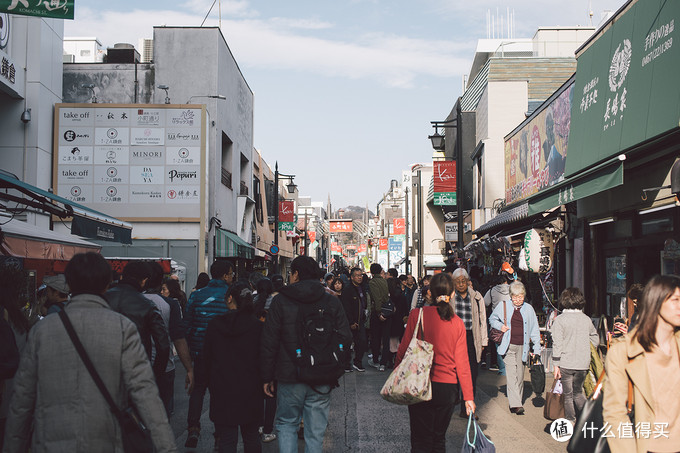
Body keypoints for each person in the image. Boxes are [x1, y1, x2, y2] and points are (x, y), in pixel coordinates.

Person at [2, 252, 177, 453]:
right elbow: (146, 395)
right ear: (106, 284)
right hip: (105, 441)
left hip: (50, 441)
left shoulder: (42, 331)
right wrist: (167, 447)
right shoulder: (122, 328)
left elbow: (22, 402)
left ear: (70, 284)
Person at [260, 256, 352, 453]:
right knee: (315, 431)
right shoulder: (331, 300)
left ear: (295, 275)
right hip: (322, 373)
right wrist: (337, 365)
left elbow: (269, 341)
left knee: (287, 423)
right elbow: (345, 336)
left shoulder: (280, 301)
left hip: (289, 374)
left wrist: (267, 376)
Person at [396, 272, 475, 452]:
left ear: (430, 293)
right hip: (447, 388)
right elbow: (463, 363)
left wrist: (398, 375)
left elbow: (403, 349)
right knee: (438, 439)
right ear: (452, 294)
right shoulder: (457, 323)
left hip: (419, 383)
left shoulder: (418, 315)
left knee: (419, 439)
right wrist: (468, 397)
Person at [603, 275, 680, 453]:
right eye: (675, 300)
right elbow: (615, 413)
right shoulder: (624, 351)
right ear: (656, 302)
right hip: (649, 447)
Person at [204, 282, 263, 453]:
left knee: (227, 439)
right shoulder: (258, 326)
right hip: (251, 387)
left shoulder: (215, 324)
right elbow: (264, 357)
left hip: (222, 387)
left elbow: (206, 357)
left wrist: (205, 381)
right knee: (251, 436)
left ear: (230, 298)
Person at [184, 260, 234, 448]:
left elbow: (187, 325)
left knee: (197, 390)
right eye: (231, 274)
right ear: (225, 276)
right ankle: (220, 434)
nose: (232, 277)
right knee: (220, 394)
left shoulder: (197, 295)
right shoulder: (230, 297)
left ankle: (193, 429)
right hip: (223, 356)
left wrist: (189, 353)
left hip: (199, 353)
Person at [105, 261, 170, 378]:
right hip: (137, 368)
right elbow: (163, 345)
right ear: (144, 281)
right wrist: (156, 374)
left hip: (105, 368)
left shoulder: (104, 298)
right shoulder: (147, 305)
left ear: (122, 276)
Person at [489, 280, 541, 415]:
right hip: (508, 346)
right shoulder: (503, 306)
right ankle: (516, 404)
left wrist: (537, 349)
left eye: (520, 297)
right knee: (512, 375)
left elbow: (534, 329)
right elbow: (492, 319)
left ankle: (516, 399)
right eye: (515, 297)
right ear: (511, 296)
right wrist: (501, 326)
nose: (518, 300)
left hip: (523, 347)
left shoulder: (528, 309)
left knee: (520, 375)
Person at [550, 287, 599, 423]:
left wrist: (555, 365)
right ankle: (588, 417)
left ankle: (571, 420)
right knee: (578, 393)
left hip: (566, 362)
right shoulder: (586, 319)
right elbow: (595, 339)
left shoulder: (560, 320)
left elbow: (557, 344)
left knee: (568, 395)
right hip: (583, 363)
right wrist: (585, 349)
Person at [451, 268, 488, 417]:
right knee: (453, 373)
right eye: (458, 281)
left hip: (472, 337)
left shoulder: (477, 297)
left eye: (463, 281)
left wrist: (484, 340)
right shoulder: (450, 297)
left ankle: (466, 409)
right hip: (454, 338)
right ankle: (454, 401)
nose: (461, 284)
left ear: (468, 282)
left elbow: (482, 319)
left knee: (471, 374)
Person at [483, 263, 514, 375]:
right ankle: (511, 368)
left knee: (499, 346)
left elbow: (485, 303)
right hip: (511, 321)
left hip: (498, 323)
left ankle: (503, 370)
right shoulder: (512, 290)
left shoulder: (492, 291)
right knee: (511, 347)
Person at [340, 268, 368, 373]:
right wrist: (351, 321)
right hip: (350, 322)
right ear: (352, 277)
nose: (359, 277)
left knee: (362, 342)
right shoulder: (347, 290)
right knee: (348, 343)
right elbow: (346, 307)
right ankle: (346, 364)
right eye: (357, 275)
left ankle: (358, 362)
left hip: (360, 320)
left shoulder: (362, 288)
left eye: (360, 275)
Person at [368, 263, 390, 371]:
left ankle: (376, 360)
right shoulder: (384, 281)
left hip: (378, 312)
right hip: (387, 312)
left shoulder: (372, 282)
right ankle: (384, 362)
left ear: (371, 272)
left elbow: (377, 299)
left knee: (375, 337)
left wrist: (378, 313)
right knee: (385, 338)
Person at [388, 276, 409, 367]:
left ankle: (391, 359)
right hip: (400, 320)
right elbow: (406, 307)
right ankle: (398, 357)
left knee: (391, 340)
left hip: (390, 319)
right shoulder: (402, 294)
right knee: (398, 340)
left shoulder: (389, 295)